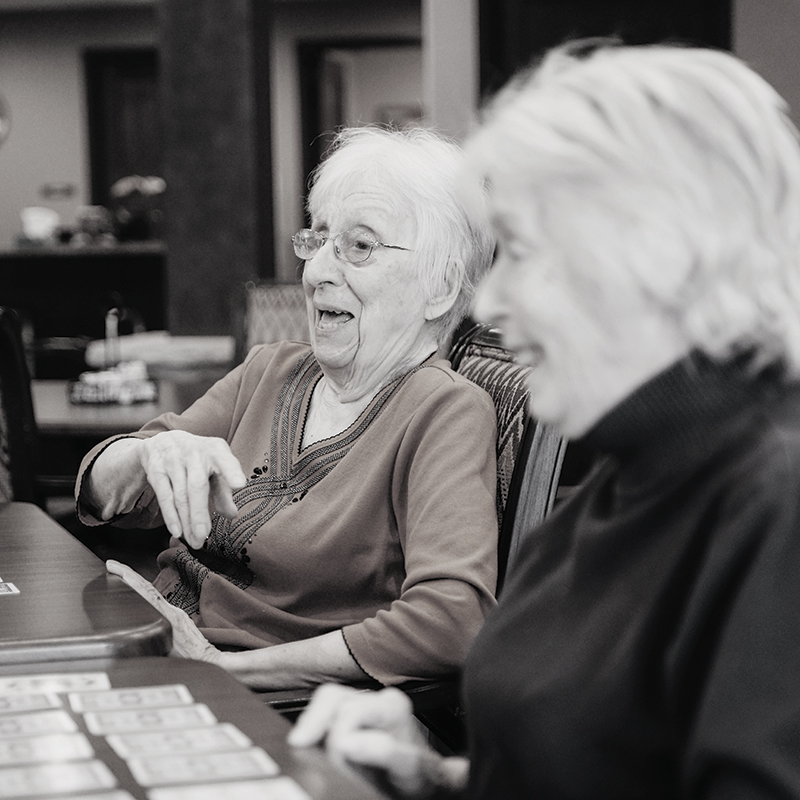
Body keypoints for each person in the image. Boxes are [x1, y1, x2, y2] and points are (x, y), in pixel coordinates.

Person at [288, 41, 800, 799]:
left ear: (656, 255)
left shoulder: (774, 503)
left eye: (523, 253)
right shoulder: (621, 475)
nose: (489, 306)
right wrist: (439, 777)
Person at [75, 126, 499, 691]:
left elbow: (453, 620)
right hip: (157, 647)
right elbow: (103, 493)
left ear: (441, 286)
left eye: (360, 246)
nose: (318, 271)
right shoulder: (271, 371)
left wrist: (229, 670)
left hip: (273, 706)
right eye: (319, 240)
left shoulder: (443, 412)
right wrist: (148, 454)